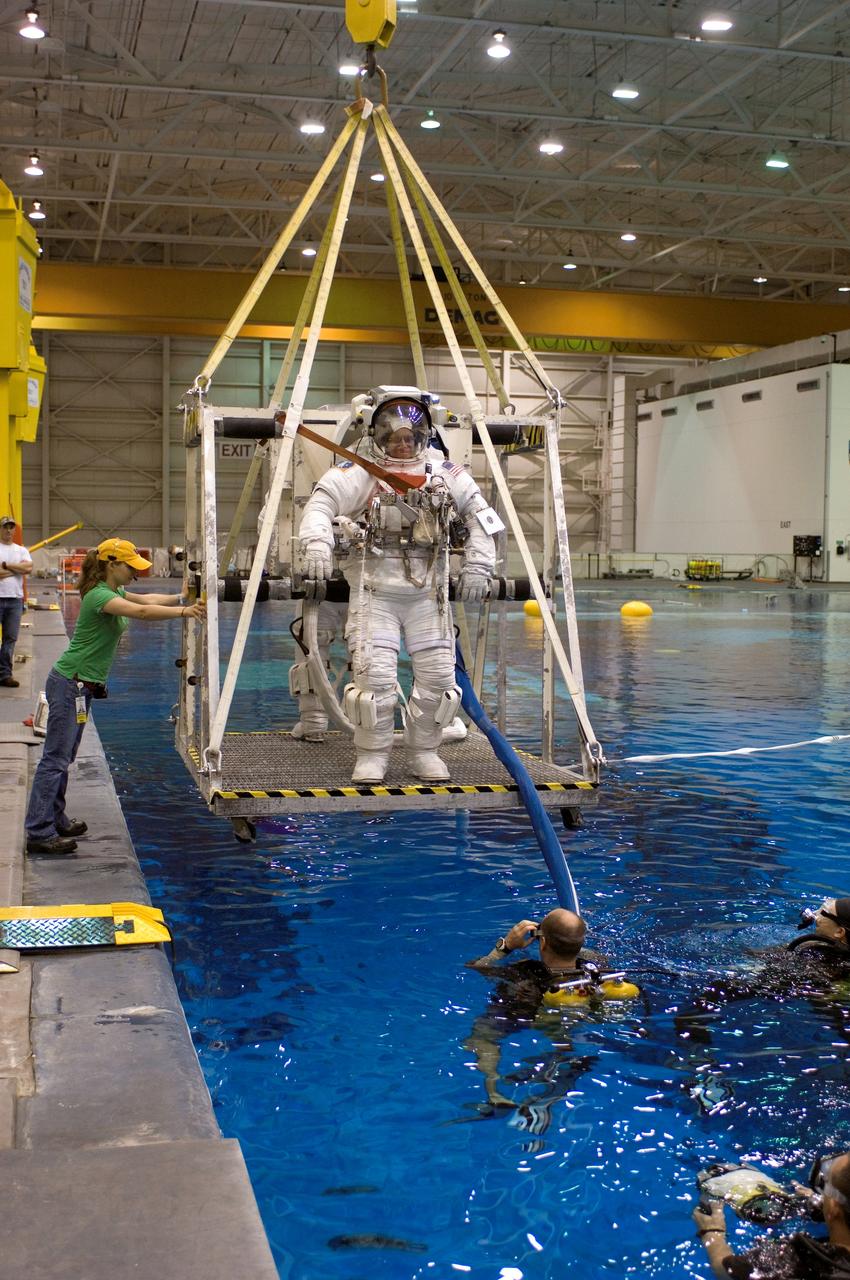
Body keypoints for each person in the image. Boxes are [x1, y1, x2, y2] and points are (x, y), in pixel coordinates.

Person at [298, 385, 497, 784]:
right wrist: (317, 545)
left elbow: (481, 519)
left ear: (423, 436)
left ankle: (424, 751)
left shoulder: (445, 474)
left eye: (410, 437)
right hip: (375, 593)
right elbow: (320, 505)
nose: (403, 444)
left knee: (440, 679)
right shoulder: (358, 472)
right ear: (378, 438)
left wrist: (478, 565)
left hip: (429, 596)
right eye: (394, 438)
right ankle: (372, 754)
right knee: (374, 679)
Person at [24, 537, 205, 855]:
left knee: (64, 757)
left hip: (81, 687)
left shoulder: (114, 591)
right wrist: (185, 611)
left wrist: (179, 595)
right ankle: (39, 830)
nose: (136, 573)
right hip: (70, 683)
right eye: (131, 567)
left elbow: (145, 598)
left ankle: (55, 817)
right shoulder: (99, 596)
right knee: (55, 758)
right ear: (112, 565)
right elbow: (143, 612)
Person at [464, 910, 603, 1111]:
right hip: (576, 1013)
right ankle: (564, 1058)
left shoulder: (522, 969)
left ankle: (494, 1091)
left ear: (543, 943)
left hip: (525, 1009)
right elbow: (573, 944)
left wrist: (504, 948)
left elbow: (476, 967)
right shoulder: (595, 967)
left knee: (482, 1037)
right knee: (563, 1032)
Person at [693, 1151, 850, 1278]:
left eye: (824, 1186)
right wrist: (818, 1203)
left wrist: (712, 1232)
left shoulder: (803, 1261)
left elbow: (726, 1271)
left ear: (835, 1210)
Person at [0, 515, 32, 689]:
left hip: (14, 600)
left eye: (11, 527)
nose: (8, 530)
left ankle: (5, 674)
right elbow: (23, 569)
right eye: (5, 527)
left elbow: (28, 568)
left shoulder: (21, 550)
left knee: (10, 639)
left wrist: (6, 566)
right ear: (0, 529)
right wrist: (15, 569)